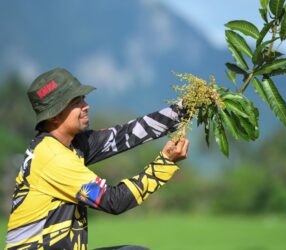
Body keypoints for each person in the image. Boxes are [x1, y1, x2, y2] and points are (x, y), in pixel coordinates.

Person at [5, 68, 190, 250]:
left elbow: (128, 134)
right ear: (54, 115)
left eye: (83, 99)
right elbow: (113, 201)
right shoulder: (53, 157)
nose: (86, 105)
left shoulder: (71, 144)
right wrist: (165, 163)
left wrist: (184, 109)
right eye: (76, 102)